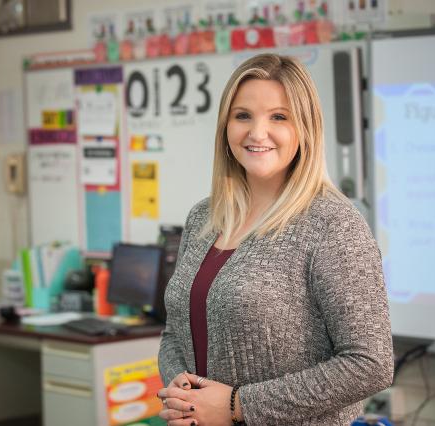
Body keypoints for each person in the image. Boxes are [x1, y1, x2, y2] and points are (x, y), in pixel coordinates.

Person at [157, 53, 393, 426]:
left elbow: (370, 363)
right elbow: (175, 331)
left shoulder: (333, 224)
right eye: (243, 115)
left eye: (278, 117)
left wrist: (237, 405)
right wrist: (184, 396)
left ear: (305, 128)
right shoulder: (204, 216)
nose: (257, 132)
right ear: (225, 125)